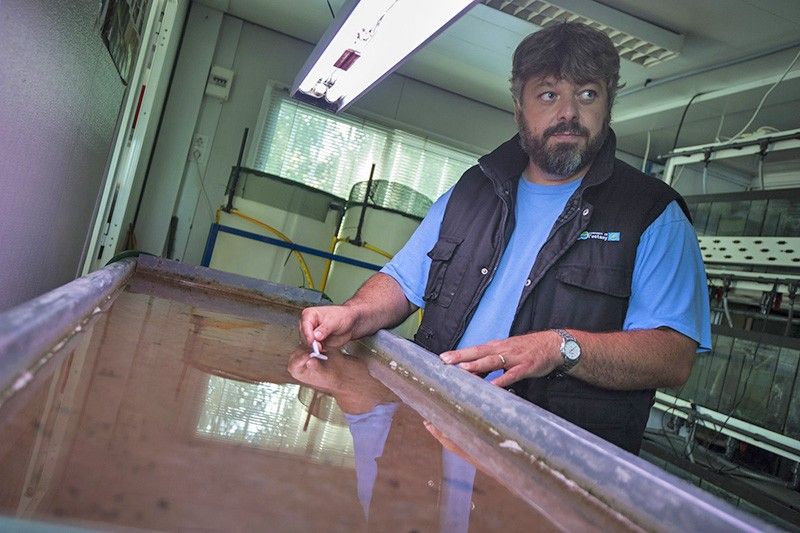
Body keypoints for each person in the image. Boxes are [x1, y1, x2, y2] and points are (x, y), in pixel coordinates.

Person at [299, 22, 711, 454]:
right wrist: (353, 313)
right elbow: (403, 282)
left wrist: (561, 348)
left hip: (551, 464)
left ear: (608, 104)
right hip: (431, 433)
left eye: (587, 94)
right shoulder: (473, 189)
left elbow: (672, 354)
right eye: (548, 94)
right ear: (519, 107)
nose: (568, 113)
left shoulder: (652, 213)